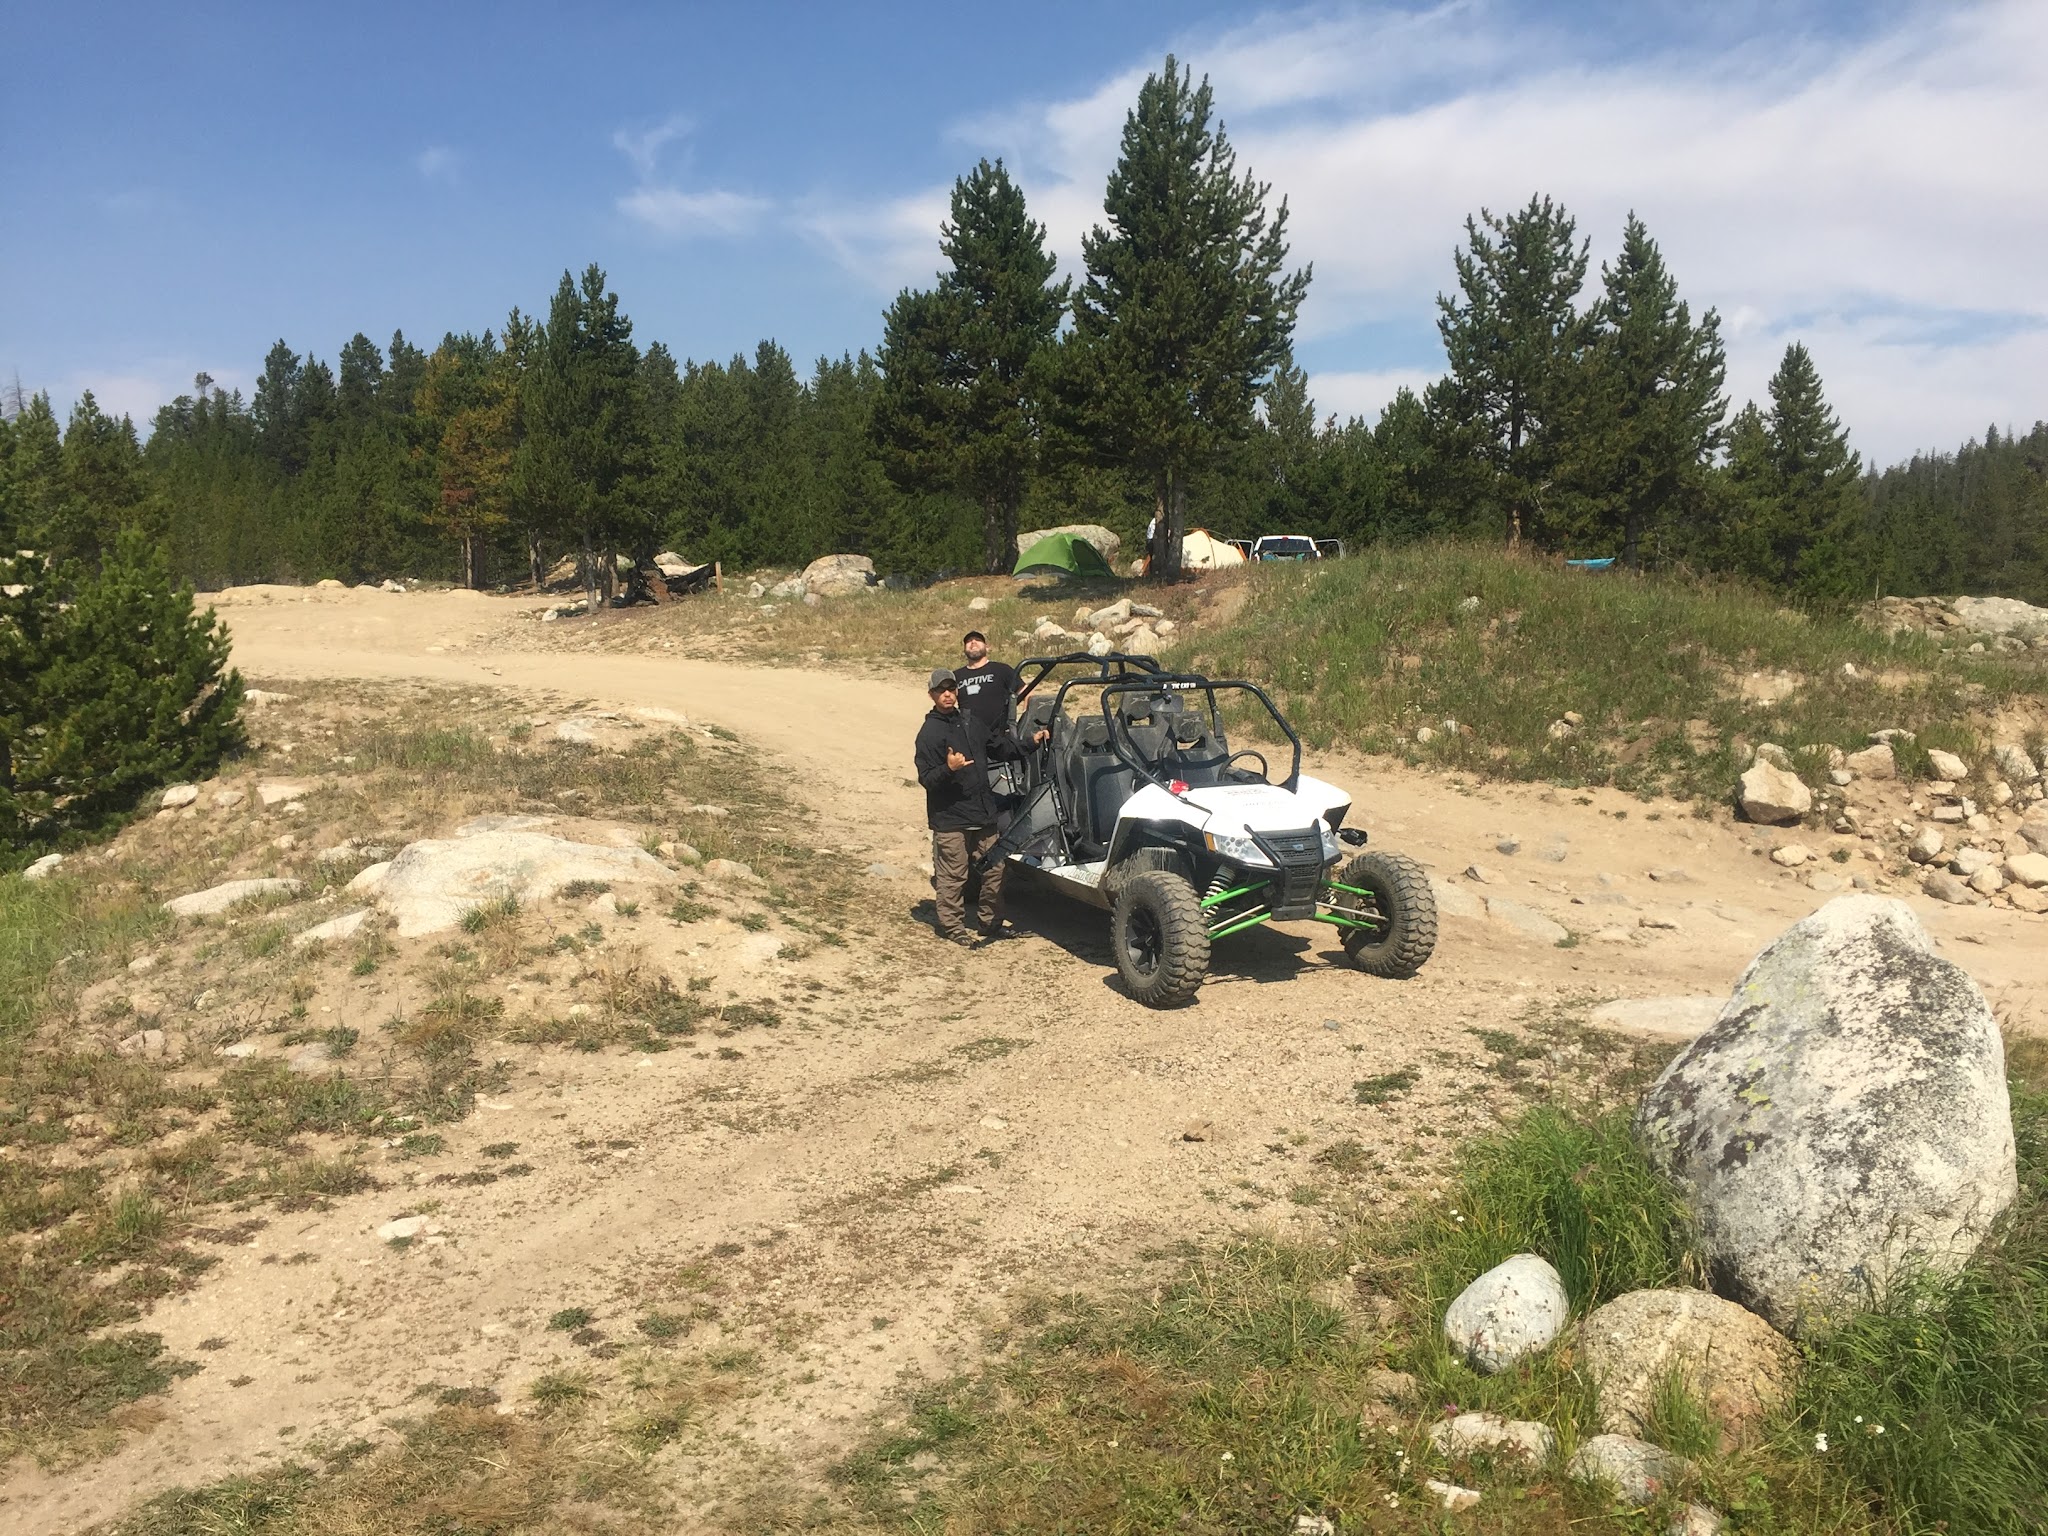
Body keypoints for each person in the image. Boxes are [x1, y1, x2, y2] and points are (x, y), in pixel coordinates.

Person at [913, 667, 1046, 945]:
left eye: (951, 689)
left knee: (996, 870)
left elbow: (1000, 748)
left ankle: (991, 923)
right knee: (954, 876)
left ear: (957, 692)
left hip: (984, 814)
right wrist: (949, 769)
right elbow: (927, 779)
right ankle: (953, 927)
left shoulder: (971, 723)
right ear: (931, 695)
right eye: (941, 691)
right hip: (951, 819)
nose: (947, 695)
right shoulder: (929, 733)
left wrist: (1030, 743)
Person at [953, 630, 1019, 733]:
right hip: (969, 735)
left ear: (987, 647)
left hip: (1000, 734)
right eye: (969, 641)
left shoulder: (1001, 669)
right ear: (964, 649)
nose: (973, 642)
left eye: (978, 640)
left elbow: (1026, 691)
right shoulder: (956, 675)